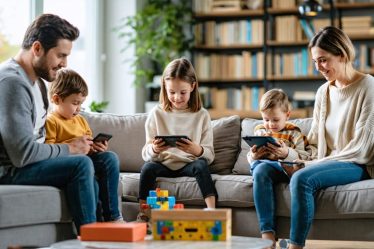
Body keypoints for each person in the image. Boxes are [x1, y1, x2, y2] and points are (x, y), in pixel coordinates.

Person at [253, 26, 374, 249]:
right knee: (262, 169)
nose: (318, 67)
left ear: (343, 55)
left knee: (302, 178)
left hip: (356, 164)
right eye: (315, 62)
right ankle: (267, 239)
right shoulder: (323, 92)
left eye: (323, 60)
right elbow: (315, 143)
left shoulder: (368, 87)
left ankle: (295, 246)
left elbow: (361, 149)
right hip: (321, 161)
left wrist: (306, 165)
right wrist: (289, 157)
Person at [0, 14, 96, 233]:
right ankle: (92, 238)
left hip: (30, 164)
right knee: (80, 164)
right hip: (10, 170)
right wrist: (70, 149)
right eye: (61, 55)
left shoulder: (38, 83)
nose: (64, 64)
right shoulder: (12, 82)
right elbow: (22, 155)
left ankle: (109, 228)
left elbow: (41, 139)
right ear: (37, 48)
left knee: (102, 160)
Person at [138, 58, 217, 226]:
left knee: (201, 165)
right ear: (164, 88)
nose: (177, 97)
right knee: (147, 168)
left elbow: (209, 156)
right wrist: (154, 149)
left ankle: (212, 211)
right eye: (171, 92)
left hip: (189, 164)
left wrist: (196, 150)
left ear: (193, 87)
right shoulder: (156, 114)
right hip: (163, 164)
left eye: (182, 92)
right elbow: (145, 154)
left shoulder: (202, 115)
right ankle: (143, 214)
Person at [45, 68, 123, 223]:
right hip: (68, 164)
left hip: (86, 160)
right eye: (75, 103)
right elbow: (49, 150)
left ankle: (113, 217)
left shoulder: (80, 120)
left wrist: (95, 147)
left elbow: (89, 143)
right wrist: (73, 146)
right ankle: (94, 225)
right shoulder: (51, 121)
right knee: (91, 181)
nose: (79, 108)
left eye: (81, 103)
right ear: (56, 99)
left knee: (110, 158)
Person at [247, 88, 316, 176]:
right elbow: (251, 157)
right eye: (266, 120)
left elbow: (304, 157)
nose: (271, 124)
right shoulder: (260, 132)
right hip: (262, 168)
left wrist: (286, 153)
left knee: (261, 169)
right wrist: (253, 156)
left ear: (287, 115)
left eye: (276, 120)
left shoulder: (294, 133)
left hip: (285, 170)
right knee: (260, 168)